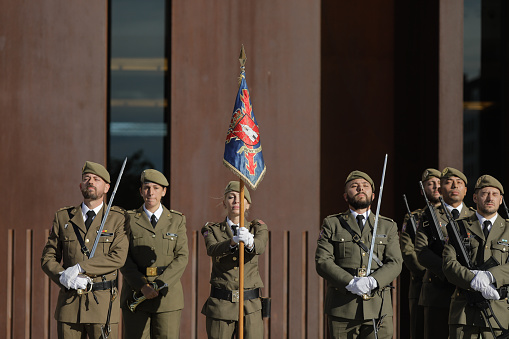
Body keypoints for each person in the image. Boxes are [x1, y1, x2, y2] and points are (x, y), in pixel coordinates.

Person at [41, 161, 130, 339]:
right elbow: (48, 258)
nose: (90, 181)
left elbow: (118, 258)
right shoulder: (63, 217)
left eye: (96, 179)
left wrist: (80, 268)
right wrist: (63, 277)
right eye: (86, 178)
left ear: (106, 187)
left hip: (102, 306)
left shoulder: (117, 219)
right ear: (80, 185)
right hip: (70, 306)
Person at [315, 170, 403, 339]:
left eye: (365, 186)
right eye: (354, 186)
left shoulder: (387, 226)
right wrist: (350, 282)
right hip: (343, 307)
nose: (360, 189)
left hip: (378, 308)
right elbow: (322, 261)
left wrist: (373, 281)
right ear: (345, 196)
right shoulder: (332, 223)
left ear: (373, 195)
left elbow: (395, 262)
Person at [120, 169, 189, 338]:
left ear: (164, 191)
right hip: (136, 294)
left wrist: (159, 284)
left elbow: (182, 257)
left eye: (156, 188)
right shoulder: (128, 219)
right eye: (146, 187)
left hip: (167, 297)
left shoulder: (177, 220)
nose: (151, 192)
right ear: (141, 191)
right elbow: (123, 257)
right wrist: (142, 286)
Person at [443, 175, 509, 338]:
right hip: (464, 314)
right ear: (474, 197)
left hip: (498, 315)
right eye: (484, 193)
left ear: (501, 200)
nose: (489, 198)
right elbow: (448, 264)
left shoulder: (508, 228)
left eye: (494, 194)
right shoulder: (458, 227)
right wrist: (472, 280)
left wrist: (490, 276)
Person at [201, 181, 268, 339]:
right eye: (231, 197)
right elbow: (212, 249)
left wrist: (250, 241)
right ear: (224, 203)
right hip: (221, 306)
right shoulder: (211, 229)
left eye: (241, 197)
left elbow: (260, 247)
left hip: (250, 306)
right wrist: (232, 242)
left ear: (248, 204)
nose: (236, 201)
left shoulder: (257, 227)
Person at [415, 167, 475, 339]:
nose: (454, 186)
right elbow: (422, 251)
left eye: (459, 183)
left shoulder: (473, 216)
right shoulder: (428, 216)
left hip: (467, 289)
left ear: (465, 190)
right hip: (437, 290)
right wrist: (450, 273)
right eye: (448, 183)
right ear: (440, 190)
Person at [400, 168, 441, 339]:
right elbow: (408, 252)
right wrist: (428, 273)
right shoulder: (413, 218)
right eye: (430, 184)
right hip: (422, 285)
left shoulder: (458, 216)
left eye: (439, 183)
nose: (436, 187)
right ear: (423, 190)